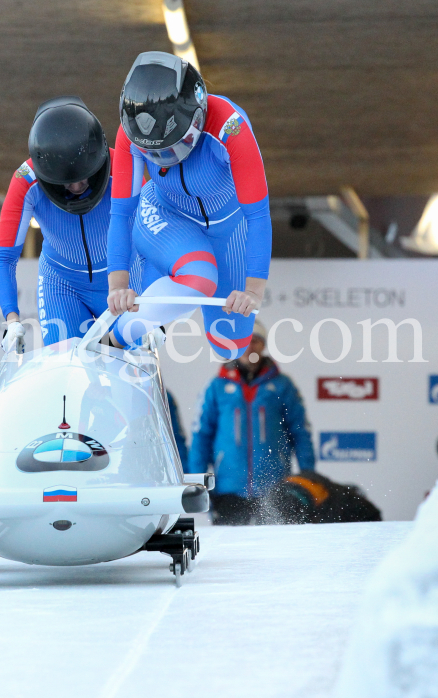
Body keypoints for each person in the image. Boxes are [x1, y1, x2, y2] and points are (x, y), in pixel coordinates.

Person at [105, 52, 271, 359]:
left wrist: (253, 291)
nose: (162, 160)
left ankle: (163, 286)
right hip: (166, 215)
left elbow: (258, 215)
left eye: (171, 149)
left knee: (231, 347)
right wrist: (118, 284)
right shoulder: (130, 134)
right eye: (151, 153)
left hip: (229, 229)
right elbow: (122, 213)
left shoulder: (231, 128)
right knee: (200, 274)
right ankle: (111, 340)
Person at [0, 96, 139, 349]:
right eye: (66, 182)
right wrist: (12, 318)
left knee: (129, 368)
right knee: (67, 369)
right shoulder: (25, 182)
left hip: (121, 281)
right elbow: (5, 257)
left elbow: (152, 235)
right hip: (62, 287)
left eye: (85, 177)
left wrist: (150, 306)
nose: (77, 187)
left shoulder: (123, 168)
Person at [185, 320, 315, 525]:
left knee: (275, 549)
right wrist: (198, 483)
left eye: (255, 341)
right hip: (228, 488)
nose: (249, 347)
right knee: (230, 551)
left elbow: (300, 432)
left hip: (275, 487)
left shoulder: (282, 385)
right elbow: (201, 436)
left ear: (263, 345)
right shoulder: (216, 386)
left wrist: (309, 475)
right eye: (244, 342)